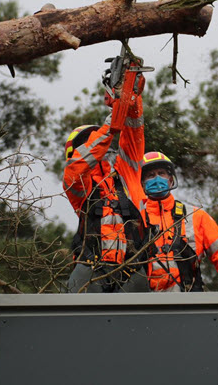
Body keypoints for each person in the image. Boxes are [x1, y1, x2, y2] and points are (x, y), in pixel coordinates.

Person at [62, 58, 148, 293]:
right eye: (88, 140)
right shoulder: (78, 184)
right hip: (91, 271)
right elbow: (78, 166)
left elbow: (134, 131)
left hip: (131, 272)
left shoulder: (125, 174)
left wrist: (130, 98)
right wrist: (112, 122)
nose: (97, 141)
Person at [139, 151, 218, 292]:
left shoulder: (196, 216)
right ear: (142, 184)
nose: (157, 179)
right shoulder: (136, 220)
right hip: (145, 304)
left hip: (188, 303)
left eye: (161, 173)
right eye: (150, 175)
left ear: (171, 179)